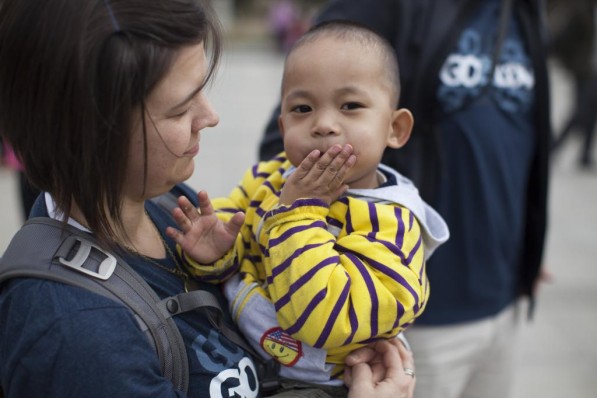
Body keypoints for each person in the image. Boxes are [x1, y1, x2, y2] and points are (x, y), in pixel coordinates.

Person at [0, 0, 416, 397]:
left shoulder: (164, 203)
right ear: (91, 132)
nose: (210, 116)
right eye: (179, 111)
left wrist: (222, 261)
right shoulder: (74, 333)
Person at [259, 1, 552, 398]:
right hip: (403, 320)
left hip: (504, 298)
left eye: (349, 106)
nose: (327, 121)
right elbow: (298, 132)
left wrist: (529, 244)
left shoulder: (521, 11)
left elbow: (522, 136)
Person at [167, 21, 449, 392]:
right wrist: (215, 254)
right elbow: (241, 239)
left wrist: (298, 213)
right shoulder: (271, 177)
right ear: (283, 128)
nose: (325, 124)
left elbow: (323, 317)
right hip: (240, 351)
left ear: (394, 128)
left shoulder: (394, 228)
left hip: (315, 383)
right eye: (302, 108)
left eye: (351, 106)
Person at [548, 0, 597, 168]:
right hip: (584, 71)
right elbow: (562, 40)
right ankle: (553, 147)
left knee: (592, 112)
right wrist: (569, 63)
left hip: (592, 71)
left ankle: (585, 155)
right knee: (581, 111)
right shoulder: (582, 12)